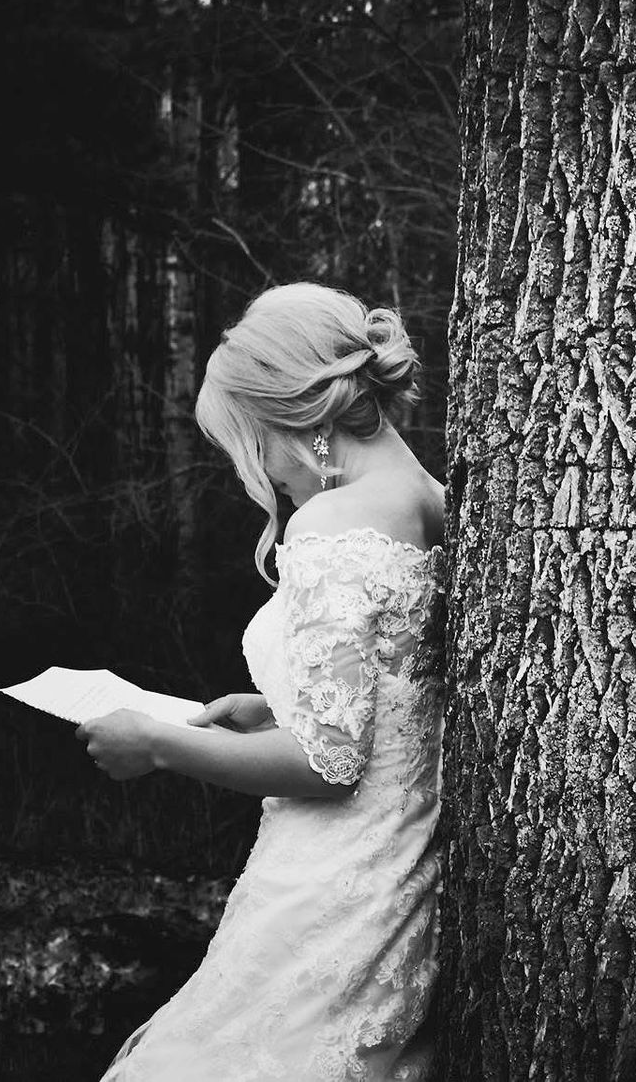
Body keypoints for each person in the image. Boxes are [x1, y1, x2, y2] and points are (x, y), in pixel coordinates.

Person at [78, 282, 447, 1080]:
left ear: (298, 415)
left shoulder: (329, 523)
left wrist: (160, 745)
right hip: (400, 871)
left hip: (329, 883)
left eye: (253, 443)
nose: (265, 473)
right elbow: (393, 695)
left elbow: (330, 762)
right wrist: (269, 708)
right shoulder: (432, 501)